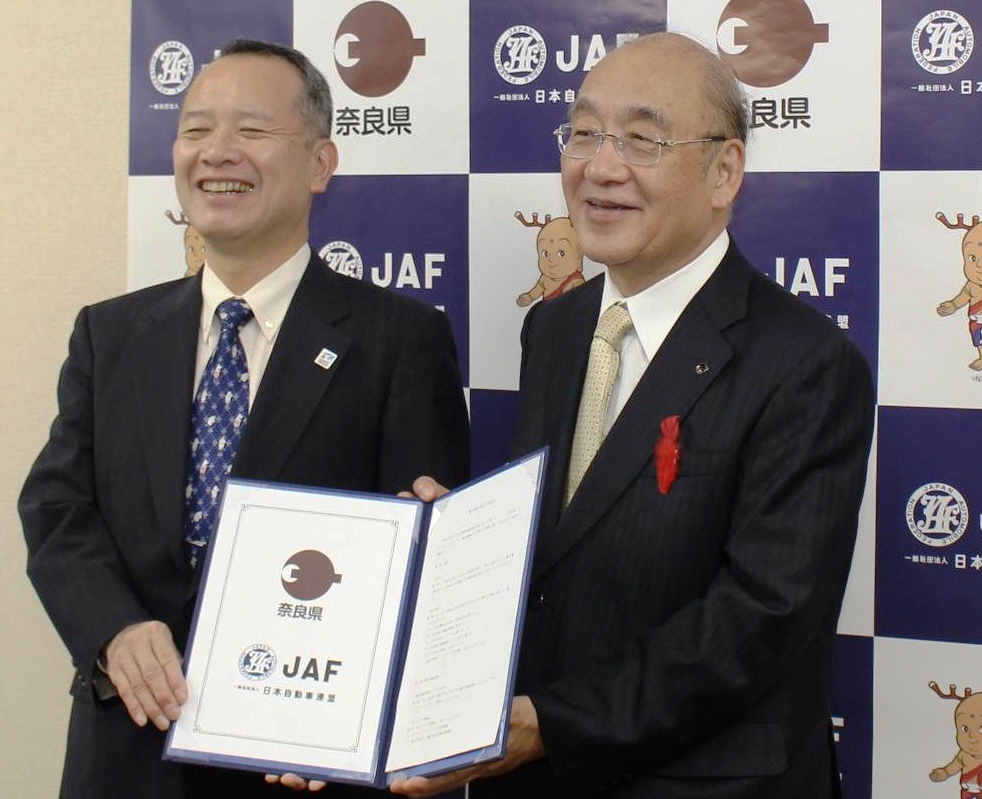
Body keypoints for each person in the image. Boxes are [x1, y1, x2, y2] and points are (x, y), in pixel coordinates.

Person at [386, 32, 874, 799]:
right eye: (584, 132)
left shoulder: (807, 363)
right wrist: (461, 547)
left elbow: (759, 619)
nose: (600, 167)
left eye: (643, 140)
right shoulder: (554, 328)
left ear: (724, 171)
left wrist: (554, 723)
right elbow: (571, 545)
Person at [19, 39, 469, 799]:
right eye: (195, 129)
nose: (217, 151)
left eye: (252, 129)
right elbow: (57, 506)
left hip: (298, 758)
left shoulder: (400, 340)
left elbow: (420, 553)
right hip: (125, 753)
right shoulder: (110, 333)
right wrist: (113, 629)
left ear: (321, 163)